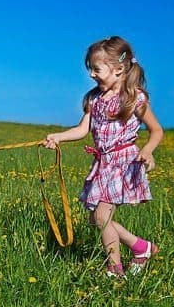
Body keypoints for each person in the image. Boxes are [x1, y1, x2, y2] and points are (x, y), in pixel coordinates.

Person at [44, 36, 164, 277]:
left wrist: (147, 151)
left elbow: (156, 130)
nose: (91, 74)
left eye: (96, 69)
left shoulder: (134, 98)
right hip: (102, 165)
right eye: (90, 69)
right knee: (96, 218)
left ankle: (114, 269)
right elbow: (81, 130)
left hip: (124, 164)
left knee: (102, 217)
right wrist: (58, 137)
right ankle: (143, 248)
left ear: (118, 69)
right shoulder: (94, 100)